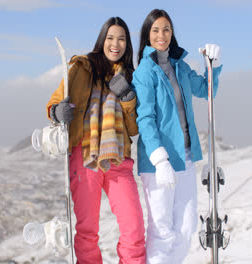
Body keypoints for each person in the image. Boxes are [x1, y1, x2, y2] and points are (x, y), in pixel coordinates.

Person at [46, 17, 146, 264]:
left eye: (122, 39)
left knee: (134, 230)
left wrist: (127, 96)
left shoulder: (130, 76)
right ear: (102, 40)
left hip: (118, 159)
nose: (116, 44)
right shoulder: (81, 68)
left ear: (127, 44)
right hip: (85, 156)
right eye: (111, 37)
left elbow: (133, 128)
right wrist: (58, 112)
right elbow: (54, 103)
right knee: (88, 232)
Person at [132, 9, 223, 264]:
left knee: (186, 226)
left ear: (172, 33)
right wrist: (160, 160)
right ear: (147, 36)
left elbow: (207, 91)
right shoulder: (144, 72)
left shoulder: (180, 66)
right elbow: (145, 119)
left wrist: (211, 65)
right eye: (156, 30)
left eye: (166, 29)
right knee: (162, 230)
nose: (162, 35)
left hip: (184, 156)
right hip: (159, 161)